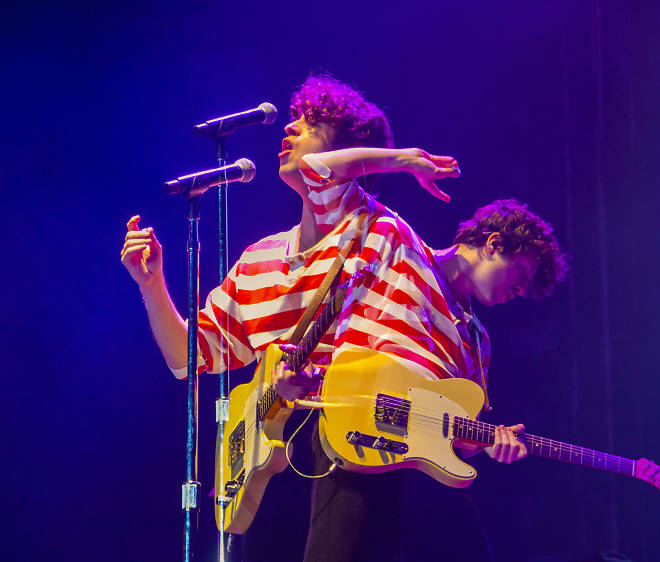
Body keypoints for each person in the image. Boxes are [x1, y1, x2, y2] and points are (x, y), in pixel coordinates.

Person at [120, 75, 567, 561]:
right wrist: (151, 285)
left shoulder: (384, 236)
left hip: (371, 456)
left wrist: (484, 441)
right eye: (521, 276)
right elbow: (188, 358)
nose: (289, 130)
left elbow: (452, 433)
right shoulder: (260, 260)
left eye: (307, 124)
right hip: (282, 456)